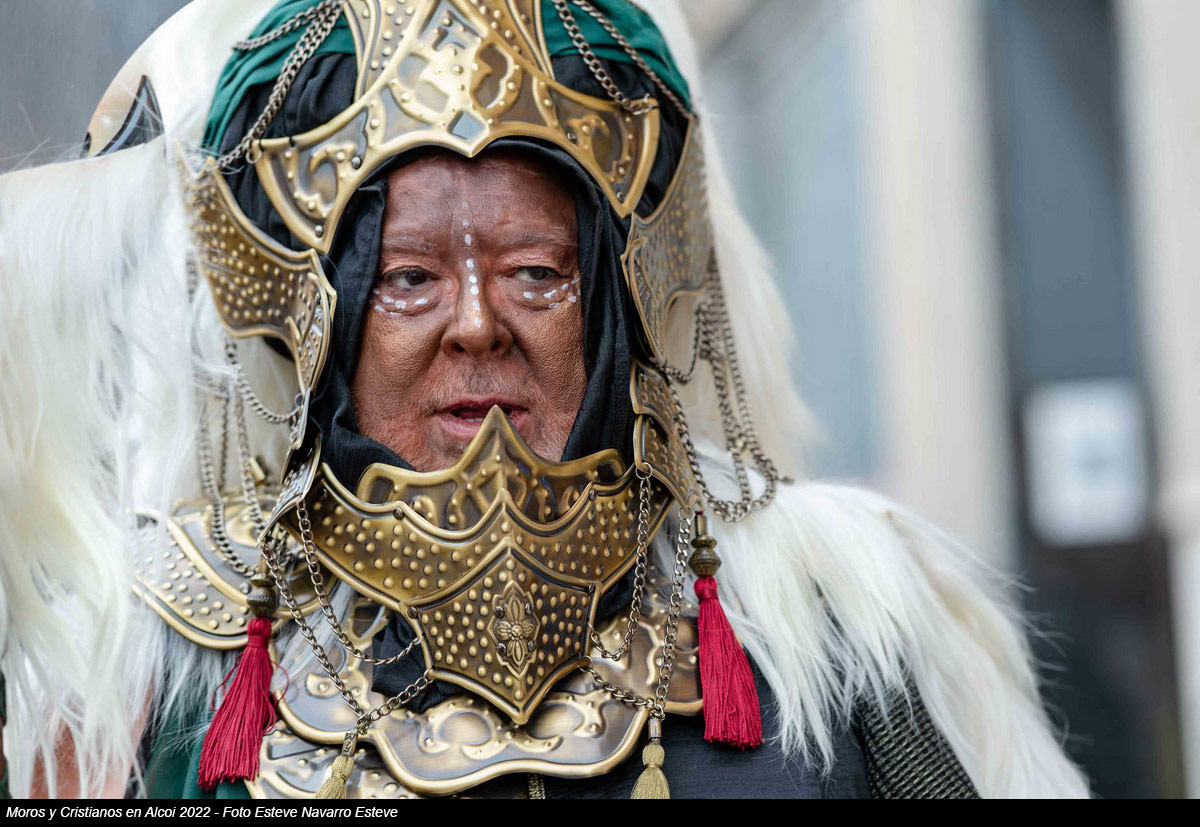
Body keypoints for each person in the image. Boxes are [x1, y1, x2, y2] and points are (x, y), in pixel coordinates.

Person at [0, 0, 1090, 799]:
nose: (477, 325)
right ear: (321, 323)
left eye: (536, 272)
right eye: (408, 279)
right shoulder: (159, 676)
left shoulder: (832, 624)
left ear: (609, 306)